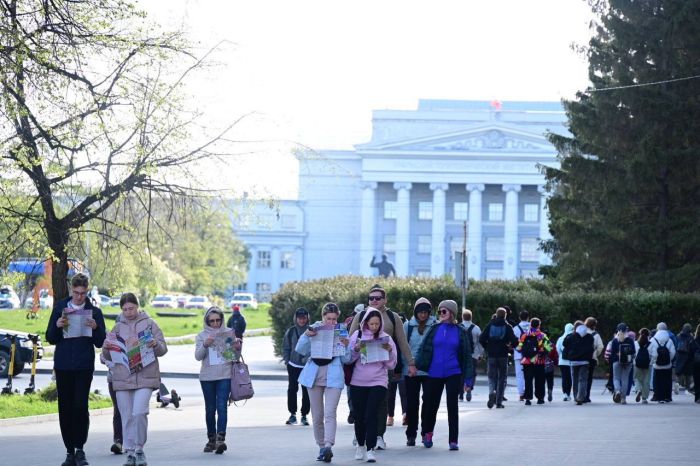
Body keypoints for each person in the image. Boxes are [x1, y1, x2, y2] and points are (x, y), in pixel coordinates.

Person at [46, 273, 107, 466]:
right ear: (72, 290)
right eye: (76, 293)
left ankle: (80, 449)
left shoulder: (94, 312)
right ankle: (69, 451)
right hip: (64, 365)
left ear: (87, 291)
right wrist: (57, 326)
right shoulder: (60, 308)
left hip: (83, 365)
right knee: (65, 408)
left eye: (82, 293)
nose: (79, 297)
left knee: (80, 406)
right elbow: (50, 337)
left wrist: (96, 327)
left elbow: (100, 342)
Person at [103, 293, 167, 466]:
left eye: (131, 308)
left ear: (137, 307)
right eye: (124, 309)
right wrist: (106, 348)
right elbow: (106, 354)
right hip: (123, 377)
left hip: (146, 375)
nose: (128, 312)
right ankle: (130, 452)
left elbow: (163, 349)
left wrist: (155, 344)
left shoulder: (150, 324)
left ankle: (139, 449)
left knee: (139, 412)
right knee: (126, 416)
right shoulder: (117, 327)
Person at [349, 284, 415, 450]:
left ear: (385, 300)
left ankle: (379, 435)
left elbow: (402, 342)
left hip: (385, 366)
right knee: (361, 404)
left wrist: (411, 363)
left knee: (381, 403)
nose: (374, 300)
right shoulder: (361, 315)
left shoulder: (393, 317)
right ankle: (361, 434)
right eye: (371, 298)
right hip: (361, 368)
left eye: (378, 298)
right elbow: (349, 340)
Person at [295, 303, 351, 463]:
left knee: (330, 413)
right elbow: (300, 350)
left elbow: (347, 359)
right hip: (313, 376)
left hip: (333, 376)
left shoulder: (341, 330)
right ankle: (321, 446)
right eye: (328, 319)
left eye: (334, 319)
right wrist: (306, 335)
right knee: (317, 415)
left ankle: (328, 446)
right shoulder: (314, 328)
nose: (331, 322)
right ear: (323, 317)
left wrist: (347, 346)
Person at [415, 300, 474, 451]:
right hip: (434, 373)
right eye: (440, 311)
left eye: (444, 311)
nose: (441, 314)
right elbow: (423, 348)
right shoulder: (434, 329)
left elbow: (467, 355)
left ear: (452, 313)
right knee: (430, 405)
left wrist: (468, 379)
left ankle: (453, 440)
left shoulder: (460, 331)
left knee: (452, 406)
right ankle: (428, 433)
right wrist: (415, 365)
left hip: (453, 372)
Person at [348, 308, 398, 462]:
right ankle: (361, 445)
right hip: (358, 381)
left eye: (377, 323)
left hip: (378, 381)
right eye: (371, 324)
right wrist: (356, 349)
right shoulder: (357, 335)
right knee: (359, 415)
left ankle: (370, 449)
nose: (374, 326)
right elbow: (348, 359)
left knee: (371, 415)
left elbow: (391, 365)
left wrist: (389, 352)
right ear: (365, 323)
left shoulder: (386, 338)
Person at [195, 306, 241, 454]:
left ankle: (221, 440)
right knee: (210, 409)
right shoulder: (201, 335)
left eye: (218, 320)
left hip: (224, 375)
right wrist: (205, 344)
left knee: (222, 407)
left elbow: (234, 357)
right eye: (212, 321)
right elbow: (198, 356)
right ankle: (211, 440)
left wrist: (237, 347)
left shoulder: (228, 332)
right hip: (207, 377)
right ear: (207, 321)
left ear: (222, 320)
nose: (215, 323)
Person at [402, 297, 437, 445]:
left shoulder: (435, 326)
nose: (423, 315)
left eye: (425, 312)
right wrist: (408, 365)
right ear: (415, 312)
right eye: (420, 312)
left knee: (428, 403)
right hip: (411, 371)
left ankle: (426, 433)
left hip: (430, 371)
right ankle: (411, 434)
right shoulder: (407, 326)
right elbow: (403, 347)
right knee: (412, 404)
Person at [479, 307, 518, 409]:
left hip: (492, 355)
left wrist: (487, 347)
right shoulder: (507, 326)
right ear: (505, 315)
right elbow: (515, 341)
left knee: (491, 377)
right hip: (503, 355)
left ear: (496, 314)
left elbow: (481, 338)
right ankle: (499, 401)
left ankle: (492, 392)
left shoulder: (490, 325)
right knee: (502, 378)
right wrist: (510, 347)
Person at [283, 307, 311, 426]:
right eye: (299, 318)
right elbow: (286, 347)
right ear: (296, 318)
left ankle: (304, 415)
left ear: (307, 318)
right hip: (293, 365)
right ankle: (292, 414)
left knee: (307, 391)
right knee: (292, 389)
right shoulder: (291, 331)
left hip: (307, 366)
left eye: (304, 318)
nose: (302, 320)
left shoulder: (311, 330)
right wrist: (287, 361)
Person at [516, 317, 551, 405]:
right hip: (539, 361)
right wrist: (542, 352)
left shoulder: (524, 335)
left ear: (530, 324)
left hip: (527, 361)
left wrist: (525, 353)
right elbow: (549, 347)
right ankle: (540, 398)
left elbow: (519, 348)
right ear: (539, 325)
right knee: (540, 380)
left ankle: (528, 399)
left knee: (528, 380)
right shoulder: (542, 335)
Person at [563, 320, 594, 406]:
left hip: (574, 361)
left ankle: (576, 397)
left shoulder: (571, 336)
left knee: (575, 379)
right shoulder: (589, 336)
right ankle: (581, 397)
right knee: (583, 379)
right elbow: (592, 347)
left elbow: (565, 343)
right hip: (585, 361)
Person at [345, 304, 365, 425]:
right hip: (352, 364)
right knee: (350, 389)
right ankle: (352, 411)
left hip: (367, 368)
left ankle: (355, 411)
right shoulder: (349, 323)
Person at [100, 353, 123, 455]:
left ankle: (134, 443)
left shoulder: (133, 336)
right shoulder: (110, 337)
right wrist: (108, 362)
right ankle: (118, 441)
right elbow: (102, 355)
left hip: (131, 378)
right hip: (113, 379)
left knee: (131, 410)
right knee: (118, 408)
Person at [649, 322, 677, 403]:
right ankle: (667, 397)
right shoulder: (669, 339)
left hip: (656, 365)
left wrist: (654, 361)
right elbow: (673, 352)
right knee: (667, 381)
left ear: (657, 329)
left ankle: (657, 396)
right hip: (667, 365)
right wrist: (669, 360)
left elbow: (650, 351)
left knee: (657, 380)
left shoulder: (653, 339)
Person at [609, 323, 636, 404]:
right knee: (625, 379)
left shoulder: (614, 340)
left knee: (616, 378)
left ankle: (617, 391)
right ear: (626, 330)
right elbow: (633, 352)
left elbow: (612, 352)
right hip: (628, 362)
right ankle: (623, 398)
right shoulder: (630, 340)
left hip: (616, 361)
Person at [460, 309, 483, 401]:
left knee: (460, 373)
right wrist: (480, 354)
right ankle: (469, 387)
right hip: (473, 355)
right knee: (472, 373)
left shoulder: (459, 327)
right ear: (471, 317)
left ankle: (461, 393)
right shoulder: (476, 328)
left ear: (462, 317)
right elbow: (480, 343)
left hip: (461, 355)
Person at [584, 317, 604, 403]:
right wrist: (595, 354)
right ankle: (587, 396)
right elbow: (600, 347)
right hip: (591, 358)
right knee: (589, 378)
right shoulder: (596, 335)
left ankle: (579, 395)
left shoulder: (581, 332)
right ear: (594, 325)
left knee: (581, 377)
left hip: (580, 357)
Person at [512, 310, 530, 401]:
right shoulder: (532, 327)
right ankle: (529, 393)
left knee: (519, 375)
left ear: (519, 317)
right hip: (531, 355)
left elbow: (512, 342)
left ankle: (521, 394)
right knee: (530, 375)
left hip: (518, 354)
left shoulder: (515, 328)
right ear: (528, 317)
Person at [556, 323, 574, 401]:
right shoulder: (573, 337)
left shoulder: (560, 338)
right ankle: (568, 394)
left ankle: (564, 394)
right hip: (571, 361)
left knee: (564, 377)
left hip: (562, 361)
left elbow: (557, 349)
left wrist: (561, 355)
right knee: (569, 378)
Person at [633, 328, 652, 404]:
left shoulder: (635, 343)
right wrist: (650, 362)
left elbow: (633, 354)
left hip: (637, 364)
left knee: (638, 379)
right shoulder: (651, 343)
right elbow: (655, 355)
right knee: (646, 381)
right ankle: (644, 398)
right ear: (648, 335)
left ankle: (638, 390)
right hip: (648, 365)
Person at [675, 323, 694, 393]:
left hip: (679, 355)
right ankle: (687, 388)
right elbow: (692, 347)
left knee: (679, 372)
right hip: (688, 356)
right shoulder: (691, 336)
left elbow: (675, 345)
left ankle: (678, 386)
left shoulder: (678, 335)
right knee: (688, 373)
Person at [543, 333, 558, 402]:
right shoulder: (552, 345)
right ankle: (550, 390)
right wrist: (555, 363)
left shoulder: (541, 344)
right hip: (550, 365)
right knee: (550, 380)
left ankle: (542, 394)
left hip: (542, 365)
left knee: (541, 381)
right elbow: (555, 355)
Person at [690, 324, 700, 404]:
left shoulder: (693, 341)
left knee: (697, 381)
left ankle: (697, 397)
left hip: (696, 364)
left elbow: (690, 354)